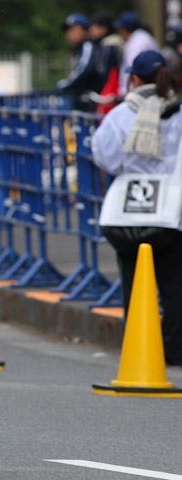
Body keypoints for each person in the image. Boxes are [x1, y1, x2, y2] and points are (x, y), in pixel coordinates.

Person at [91, 50, 182, 366]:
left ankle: (138, 347)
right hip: (171, 214)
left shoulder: (121, 114)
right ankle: (173, 350)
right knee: (174, 285)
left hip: (127, 213)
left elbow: (106, 158)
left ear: (135, 79)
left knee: (133, 284)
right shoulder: (178, 111)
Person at [57, 13, 104, 112]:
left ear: (85, 31)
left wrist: (68, 83)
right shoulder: (79, 49)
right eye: (68, 31)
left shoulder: (87, 46)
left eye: (74, 30)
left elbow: (85, 68)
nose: (70, 34)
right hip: (80, 100)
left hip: (88, 101)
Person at [116, 11, 160, 97]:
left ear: (124, 30)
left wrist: (128, 93)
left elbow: (134, 69)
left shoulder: (137, 42)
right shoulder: (140, 37)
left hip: (141, 94)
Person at [90, 12, 124, 114]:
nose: (91, 31)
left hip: (110, 93)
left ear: (104, 29)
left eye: (94, 27)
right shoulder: (115, 44)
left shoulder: (108, 46)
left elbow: (106, 74)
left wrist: (102, 94)